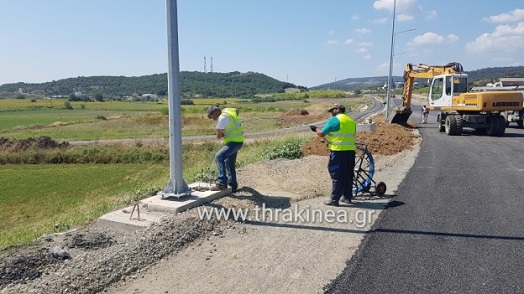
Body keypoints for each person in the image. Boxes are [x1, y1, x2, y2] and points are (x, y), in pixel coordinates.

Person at [313, 103, 356, 206]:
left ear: (337, 109)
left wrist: (315, 129)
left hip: (338, 152)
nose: (331, 112)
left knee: (336, 175)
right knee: (348, 175)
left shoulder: (334, 120)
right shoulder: (351, 121)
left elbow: (322, 134)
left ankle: (334, 200)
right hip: (350, 152)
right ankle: (347, 197)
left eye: (332, 110)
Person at [206, 105, 244, 193]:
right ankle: (233, 186)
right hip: (239, 141)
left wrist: (221, 134)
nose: (213, 119)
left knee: (219, 157)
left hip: (233, 143)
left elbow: (219, 136)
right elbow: (236, 110)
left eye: (212, 117)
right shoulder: (228, 111)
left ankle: (221, 183)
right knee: (229, 162)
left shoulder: (221, 119)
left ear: (215, 113)